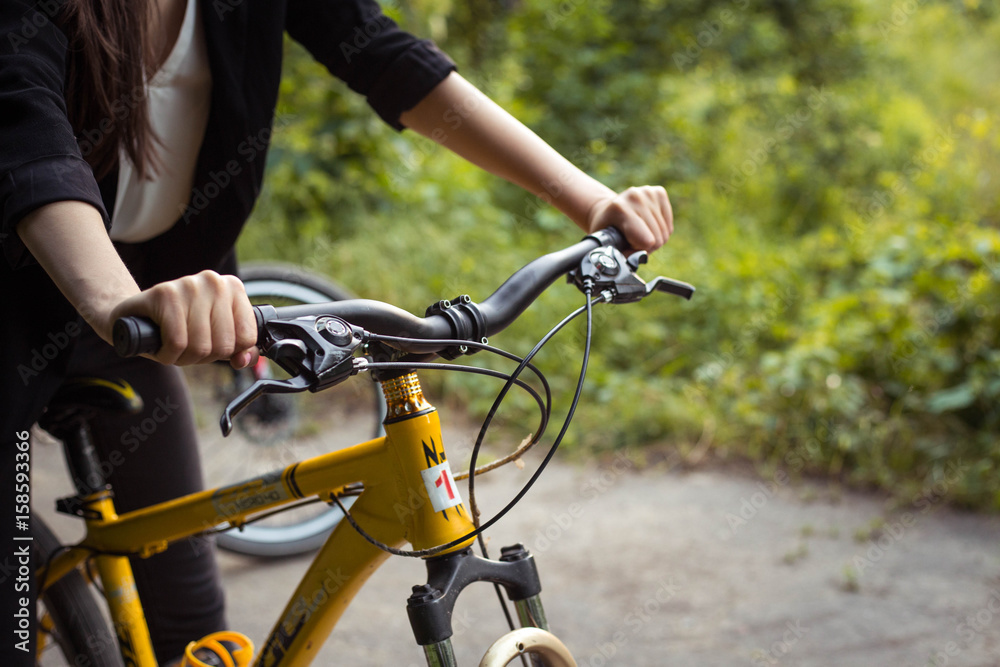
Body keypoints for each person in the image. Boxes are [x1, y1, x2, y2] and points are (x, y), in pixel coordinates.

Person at [0, 0, 673, 663]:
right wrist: (119, 301)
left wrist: (589, 200)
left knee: (192, 630)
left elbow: (386, 57)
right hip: (46, 307)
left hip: (144, 312)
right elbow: (26, 135)